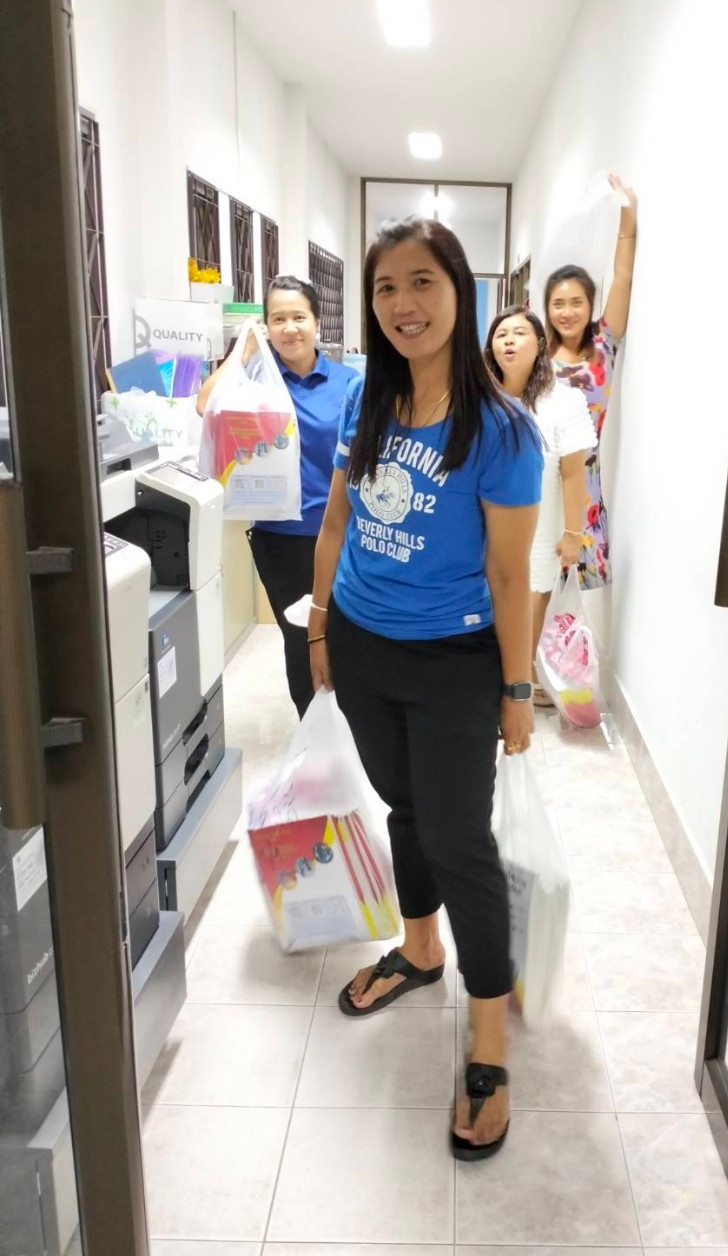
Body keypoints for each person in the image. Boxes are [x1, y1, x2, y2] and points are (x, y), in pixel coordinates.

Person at [306, 218, 543, 1161]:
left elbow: (510, 575)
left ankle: (488, 1042)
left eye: (422, 283)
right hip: (363, 646)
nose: (403, 304)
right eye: (385, 288)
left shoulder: (503, 430)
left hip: (454, 663)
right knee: (404, 807)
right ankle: (419, 947)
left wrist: (516, 689)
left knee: (460, 841)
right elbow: (335, 524)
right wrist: (320, 625)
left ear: (460, 292)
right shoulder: (367, 399)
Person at [197, 275, 358, 717]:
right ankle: (312, 733)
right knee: (299, 639)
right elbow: (205, 404)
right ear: (266, 325)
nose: (289, 328)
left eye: (298, 317)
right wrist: (244, 352)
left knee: (346, 637)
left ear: (317, 323)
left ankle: (353, 734)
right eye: (278, 319)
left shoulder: (348, 383)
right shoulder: (255, 379)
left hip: (344, 535)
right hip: (282, 537)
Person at [484, 305, 596, 706]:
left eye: (519, 333)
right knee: (486, 595)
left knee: (533, 595)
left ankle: (522, 675)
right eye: (501, 335)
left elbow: (572, 472)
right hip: (482, 518)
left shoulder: (563, 401)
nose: (509, 341)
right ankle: (490, 675)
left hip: (540, 519)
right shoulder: (480, 397)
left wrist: (572, 533)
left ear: (540, 344)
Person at [544, 173, 637, 588]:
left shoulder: (604, 343)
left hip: (585, 479)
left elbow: (623, 276)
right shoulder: (537, 356)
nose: (567, 312)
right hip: (539, 474)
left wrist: (628, 213)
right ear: (547, 309)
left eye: (576, 302)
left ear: (590, 304)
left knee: (575, 594)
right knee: (533, 581)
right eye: (558, 304)